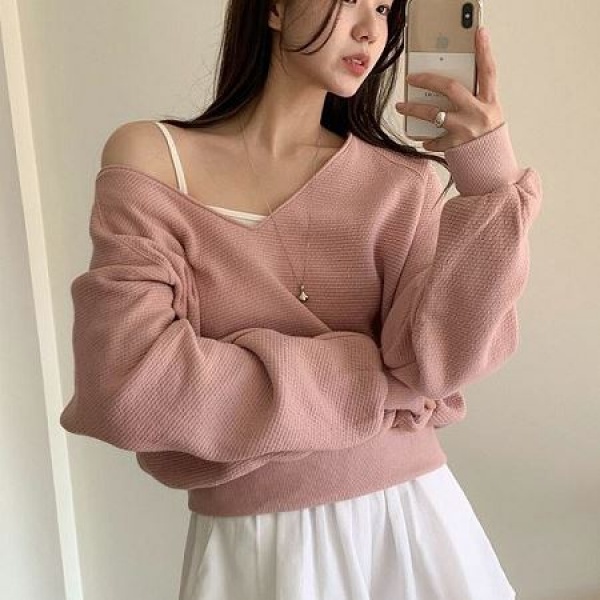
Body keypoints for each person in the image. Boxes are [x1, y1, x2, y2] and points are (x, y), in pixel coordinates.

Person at [60, 1, 543, 598]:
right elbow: (129, 385)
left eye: (383, 8)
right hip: (252, 549)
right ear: (275, 7)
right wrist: (376, 380)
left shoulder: (403, 184)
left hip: (408, 528)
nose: (370, 29)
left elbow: (437, 365)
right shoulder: (152, 160)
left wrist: (490, 180)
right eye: (349, 1)